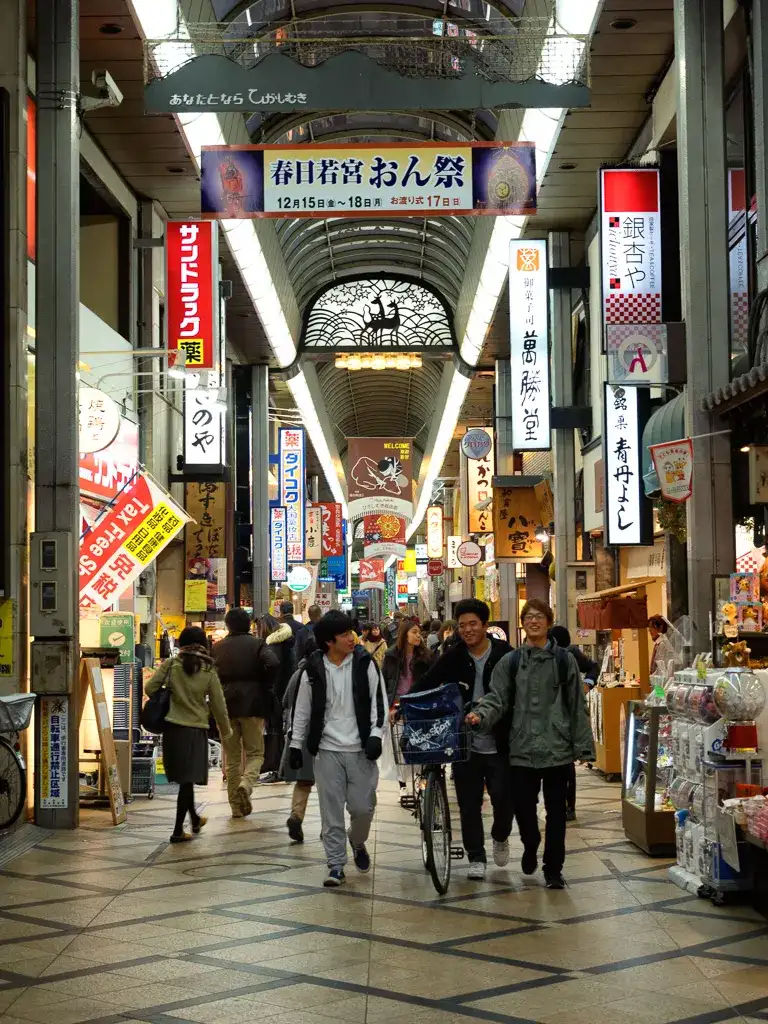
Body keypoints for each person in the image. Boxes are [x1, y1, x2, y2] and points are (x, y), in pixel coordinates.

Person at [466, 599, 595, 890]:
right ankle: (530, 843)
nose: (534, 621)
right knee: (524, 811)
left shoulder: (565, 661)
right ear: (523, 623)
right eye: (529, 617)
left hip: (557, 748)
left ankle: (553, 869)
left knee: (557, 813)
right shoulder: (510, 663)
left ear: (548, 622)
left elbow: (577, 705)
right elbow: (496, 698)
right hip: (521, 748)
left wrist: (583, 747)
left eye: (539, 617)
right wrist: (480, 715)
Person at [414, 598, 514, 881]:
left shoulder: (506, 655)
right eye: (462, 626)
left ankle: (500, 835)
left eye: (473, 624)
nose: (467, 630)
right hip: (463, 742)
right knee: (468, 803)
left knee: (504, 800)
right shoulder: (454, 656)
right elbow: (429, 682)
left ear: (485, 625)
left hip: (501, 742)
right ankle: (476, 856)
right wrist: (403, 704)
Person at [288, 610, 387, 887]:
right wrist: (296, 744)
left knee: (363, 808)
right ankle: (335, 865)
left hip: (360, 750)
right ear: (329, 642)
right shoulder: (313, 669)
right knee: (330, 813)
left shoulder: (365, 663)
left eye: (351, 632)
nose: (351, 638)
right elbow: (302, 710)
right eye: (344, 634)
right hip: (327, 751)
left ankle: (357, 841)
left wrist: (376, 735)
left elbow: (378, 703)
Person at [145, 626, 230, 843]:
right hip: (196, 730)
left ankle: (193, 819)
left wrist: (169, 693)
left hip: (173, 728)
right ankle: (177, 831)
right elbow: (219, 705)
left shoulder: (172, 664)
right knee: (187, 781)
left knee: (186, 780)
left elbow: (149, 688)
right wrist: (226, 730)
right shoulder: (208, 669)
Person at [212, 608, 279, 818]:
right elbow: (274, 663)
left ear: (228, 625)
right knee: (255, 753)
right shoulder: (257, 644)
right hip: (253, 703)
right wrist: (264, 683)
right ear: (249, 624)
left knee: (232, 759)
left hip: (225, 705)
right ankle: (247, 784)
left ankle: (236, 808)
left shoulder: (216, 648)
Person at [548, 624, 599, 822]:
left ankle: (569, 805)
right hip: (546, 715)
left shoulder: (569, 653)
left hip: (567, 713)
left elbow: (593, 667)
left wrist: (588, 684)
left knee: (566, 762)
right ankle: (561, 804)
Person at [281, 629, 318, 843]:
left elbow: (286, 701)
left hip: (300, 735)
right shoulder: (322, 673)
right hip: (323, 734)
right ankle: (329, 825)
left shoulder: (298, 673)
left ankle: (296, 816)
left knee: (304, 782)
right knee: (330, 783)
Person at [257, 614, 295, 783]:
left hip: (276, 694)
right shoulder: (285, 642)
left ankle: (277, 769)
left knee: (275, 731)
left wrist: (269, 690)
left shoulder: (273, 645)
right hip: (284, 693)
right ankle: (279, 768)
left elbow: (274, 670)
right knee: (280, 730)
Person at [382, 621, 433, 705]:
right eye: (414, 632)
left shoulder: (425, 656)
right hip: (395, 702)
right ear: (405, 634)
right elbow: (383, 682)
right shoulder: (391, 656)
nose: (418, 635)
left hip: (417, 701)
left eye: (419, 633)